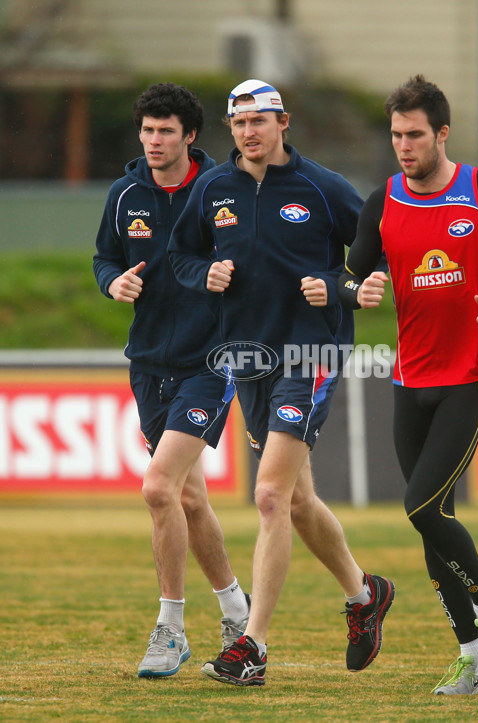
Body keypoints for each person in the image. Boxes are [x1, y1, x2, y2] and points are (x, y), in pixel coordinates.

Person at [168, 78, 395, 687]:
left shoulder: (325, 189)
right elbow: (181, 255)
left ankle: (253, 646)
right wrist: (203, 273)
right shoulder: (213, 186)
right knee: (295, 500)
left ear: (283, 122)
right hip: (244, 357)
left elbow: (377, 256)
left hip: (309, 354)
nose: (248, 132)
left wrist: (339, 285)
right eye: (238, 123)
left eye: (259, 121)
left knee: (268, 496)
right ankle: (363, 594)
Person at [338, 75, 478, 696]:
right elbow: (349, 277)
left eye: (414, 135)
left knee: (420, 506)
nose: (403, 146)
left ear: (441, 133)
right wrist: (361, 290)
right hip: (411, 379)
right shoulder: (381, 202)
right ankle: (472, 656)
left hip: (473, 375)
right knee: (435, 522)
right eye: (395, 136)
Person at [93, 82, 250, 679]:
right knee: (187, 495)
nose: (153, 141)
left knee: (159, 487)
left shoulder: (221, 192)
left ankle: (170, 628)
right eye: (147, 131)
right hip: (148, 363)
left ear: (189, 136)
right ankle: (237, 609)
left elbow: (253, 261)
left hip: (210, 360)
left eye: (166, 131)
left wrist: (224, 275)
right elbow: (105, 257)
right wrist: (113, 282)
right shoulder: (125, 193)